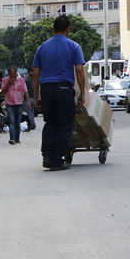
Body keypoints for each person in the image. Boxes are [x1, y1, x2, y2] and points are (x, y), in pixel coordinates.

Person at [32, 15, 86, 171]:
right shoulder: (73, 46)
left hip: (47, 90)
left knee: (50, 123)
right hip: (63, 89)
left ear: (53, 29)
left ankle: (47, 156)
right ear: (68, 30)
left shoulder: (42, 47)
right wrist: (82, 93)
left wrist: (36, 96)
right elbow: (79, 70)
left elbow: (35, 74)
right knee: (64, 124)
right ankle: (57, 159)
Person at [0, 66, 29, 145]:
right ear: (9, 74)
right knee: (12, 121)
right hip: (9, 103)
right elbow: (1, 91)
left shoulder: (21, 80)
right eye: (10, 74)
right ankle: (12, 138)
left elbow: (25, 91)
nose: (12, 75)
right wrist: (8, 85)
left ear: (16, 72)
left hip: (19, 103)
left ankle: (17, 138)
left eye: (14, 73)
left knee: (17, 122)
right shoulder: (5, 80)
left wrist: (28, 102)